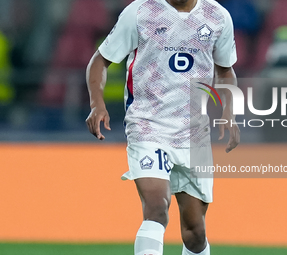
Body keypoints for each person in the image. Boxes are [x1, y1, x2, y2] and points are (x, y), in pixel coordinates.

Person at [85, 0, 240, 254]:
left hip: (194, 133)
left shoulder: (218, 16)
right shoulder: (140, 11)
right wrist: (96, 103)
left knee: (195, 233)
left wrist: (229, 111)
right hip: (147, 126)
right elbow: (100, 60)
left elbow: (225, 71)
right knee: (157, 209)